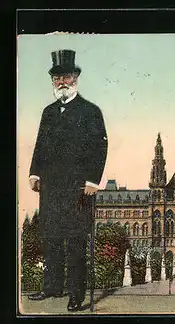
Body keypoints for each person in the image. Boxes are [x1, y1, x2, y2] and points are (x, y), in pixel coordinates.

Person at [27, 49, 108, 312]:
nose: (62, 82)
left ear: (76, 78)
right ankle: (51, 287)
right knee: (50, 238)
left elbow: (99, 147)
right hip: (51, 188)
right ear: (53, 81)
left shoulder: (90, 111)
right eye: (57, 78)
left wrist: (92, 181)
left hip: (76, 190)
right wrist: (34, 173)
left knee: (74, 241)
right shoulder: (48, 112)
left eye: (66, 77)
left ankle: (75, 295)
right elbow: (40, 145)